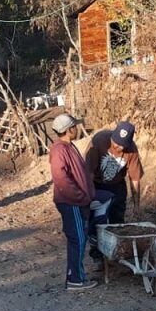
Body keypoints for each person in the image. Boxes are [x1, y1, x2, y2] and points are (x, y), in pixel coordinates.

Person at [49, 114, 111, 291]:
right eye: (74, 126)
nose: (76, 129)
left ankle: (77, 273)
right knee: (77, 239)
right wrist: (82, 198)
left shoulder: (68, 146)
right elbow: (61, 179)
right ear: (69, 130)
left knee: (106, 198)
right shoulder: (60, 149)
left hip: (78, 201)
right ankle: (75, 279)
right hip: (71, 202)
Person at [85, 121, 144, 224]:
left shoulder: (132, 150)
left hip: (117, 186)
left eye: (121, 145)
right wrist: (87, 196)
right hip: (96, 184)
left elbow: (134, 179)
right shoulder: (99, 140)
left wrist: (136, 206)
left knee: (117, 220)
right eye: (115, 141)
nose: (116, 146)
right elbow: (88, 173)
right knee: (96, 220)